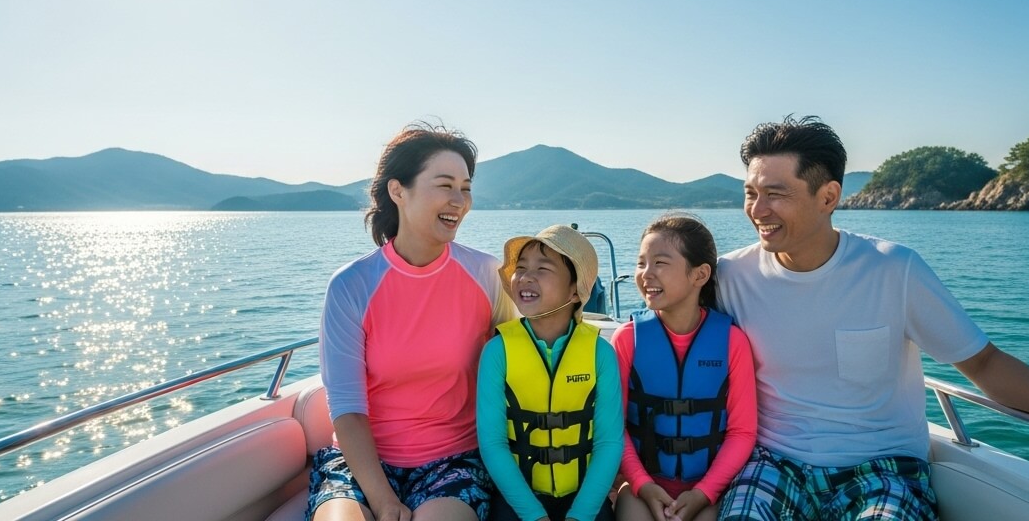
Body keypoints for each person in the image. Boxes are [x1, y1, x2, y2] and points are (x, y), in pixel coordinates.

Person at [714, 117, 1029, 521]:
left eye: (776, 194)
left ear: (828, 196)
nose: (758, 210)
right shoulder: (732, 276)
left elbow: (982, 363)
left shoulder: (893, 270)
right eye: (751, 193)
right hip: (772, 463)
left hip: (882, 468)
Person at [310, 123, 513, 521]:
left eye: (466, 187)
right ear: (398, 191)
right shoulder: (351, 286)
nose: (460, 200)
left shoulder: (488, 275)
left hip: (453, 463)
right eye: (445, 185)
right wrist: (384, 501)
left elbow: (520, 360)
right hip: (359, 464)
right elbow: (348, 408)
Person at [612, 214, 757, 521]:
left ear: (700, 274)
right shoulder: (627, 340)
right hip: (643, 487)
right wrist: (642, 484)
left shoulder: (733, 342)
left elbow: (742, 433)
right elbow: (615, 427)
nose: (645, 274)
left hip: (710, 490)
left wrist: (704, 492)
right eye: (641, 263)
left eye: (660, 263)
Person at [477, 225, 625, 521]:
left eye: (543, 268)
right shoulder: (497, 351)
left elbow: (609, 443)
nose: (526, 277)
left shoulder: (600, 353)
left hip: (584, 500)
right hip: (517, 500)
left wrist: (581, 514)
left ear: (574, 290)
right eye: (520, 268)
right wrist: (533, 515)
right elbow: (493, 443)